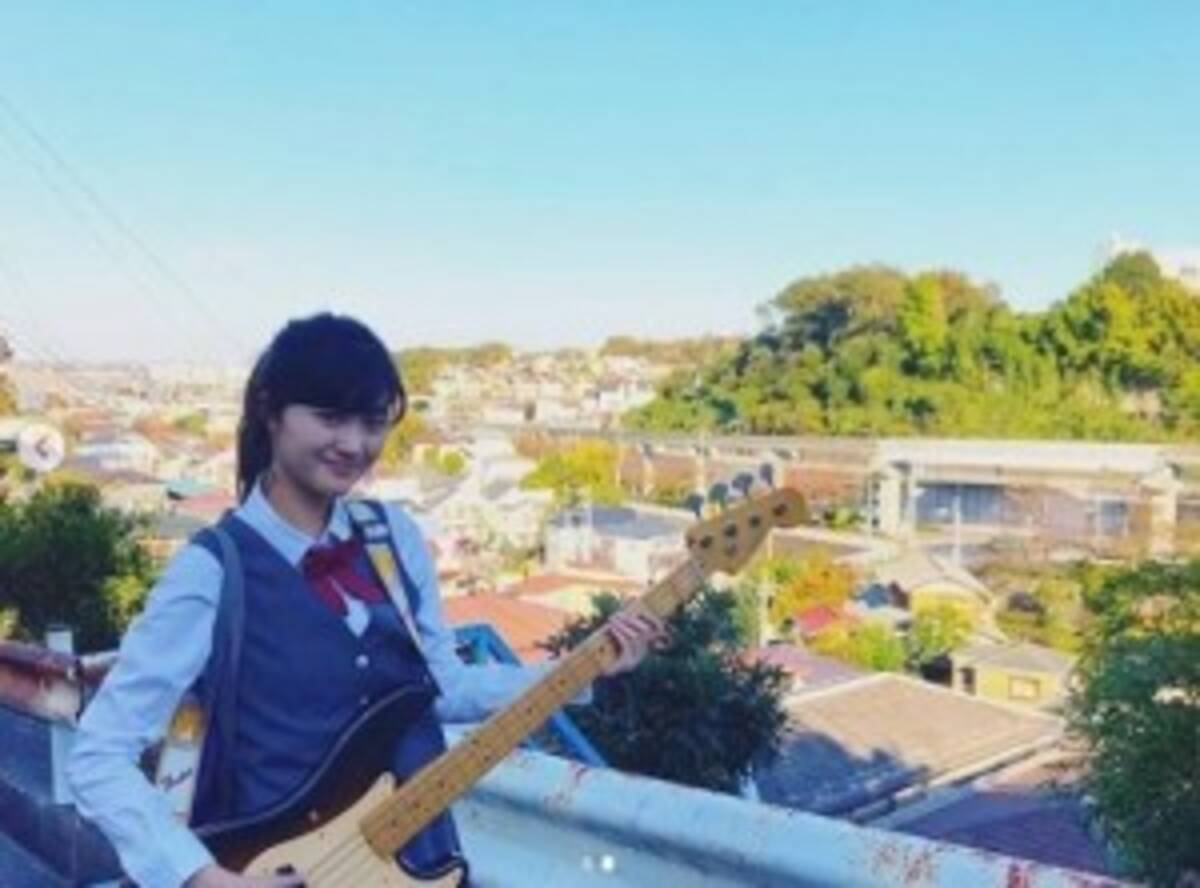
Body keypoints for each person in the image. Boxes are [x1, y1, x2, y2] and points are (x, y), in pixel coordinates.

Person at [68, 313, 666, 887]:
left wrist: (585, 665)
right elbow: (99, 754)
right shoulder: (211, 570)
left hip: (425, 862)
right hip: (283, 868)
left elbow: (444, 687)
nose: (354, 444)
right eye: (330, 418)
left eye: (373, 422)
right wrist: (199, 876)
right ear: (270, 411)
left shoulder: (392, 537)